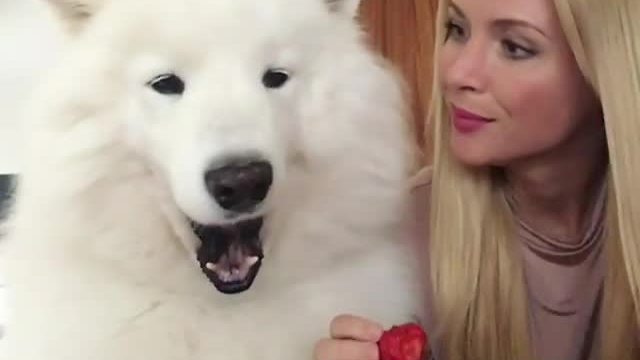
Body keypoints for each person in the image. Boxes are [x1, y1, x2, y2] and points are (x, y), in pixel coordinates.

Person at [313, 0, 640, 359]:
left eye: (515, 47)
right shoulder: (396, 241)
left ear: (604, 69)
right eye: (457, 29)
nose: (456, 74)